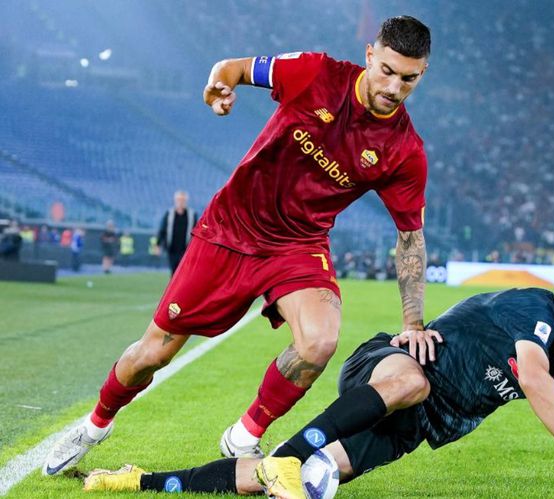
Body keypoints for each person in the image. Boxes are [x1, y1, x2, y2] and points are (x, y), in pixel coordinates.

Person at [43, 15, 434, 475]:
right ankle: (94, 425)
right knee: (154, 353)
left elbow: (410, 237)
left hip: (298, 244)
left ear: (421, 73)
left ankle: (244, 436)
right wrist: (220, 87)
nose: (394, 87)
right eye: (387, 70)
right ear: (370, 54)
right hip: (229, 229)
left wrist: (413, 322)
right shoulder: (314, 73)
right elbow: (233, 68)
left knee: (320, 341)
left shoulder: (405, 151)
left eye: (408, 79)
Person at [84, 286, 554, 498]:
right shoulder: (535, 309)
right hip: (393, 367)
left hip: (413, 426)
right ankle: (291, 455)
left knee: (305, 481)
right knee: (413, 382)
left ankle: (137, 480)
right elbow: (534, 378)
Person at [156, 191, 197, 275]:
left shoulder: (192, 215)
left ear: (186, 201)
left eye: (182, 200)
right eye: (178, 200)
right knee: (174, 272)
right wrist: (158, 245)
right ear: (175, 201)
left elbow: (196, 232)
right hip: (172, 249)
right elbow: (162, 230)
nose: (180, 202)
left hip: (186, 249)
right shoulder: (169, 214)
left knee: (184, 272)